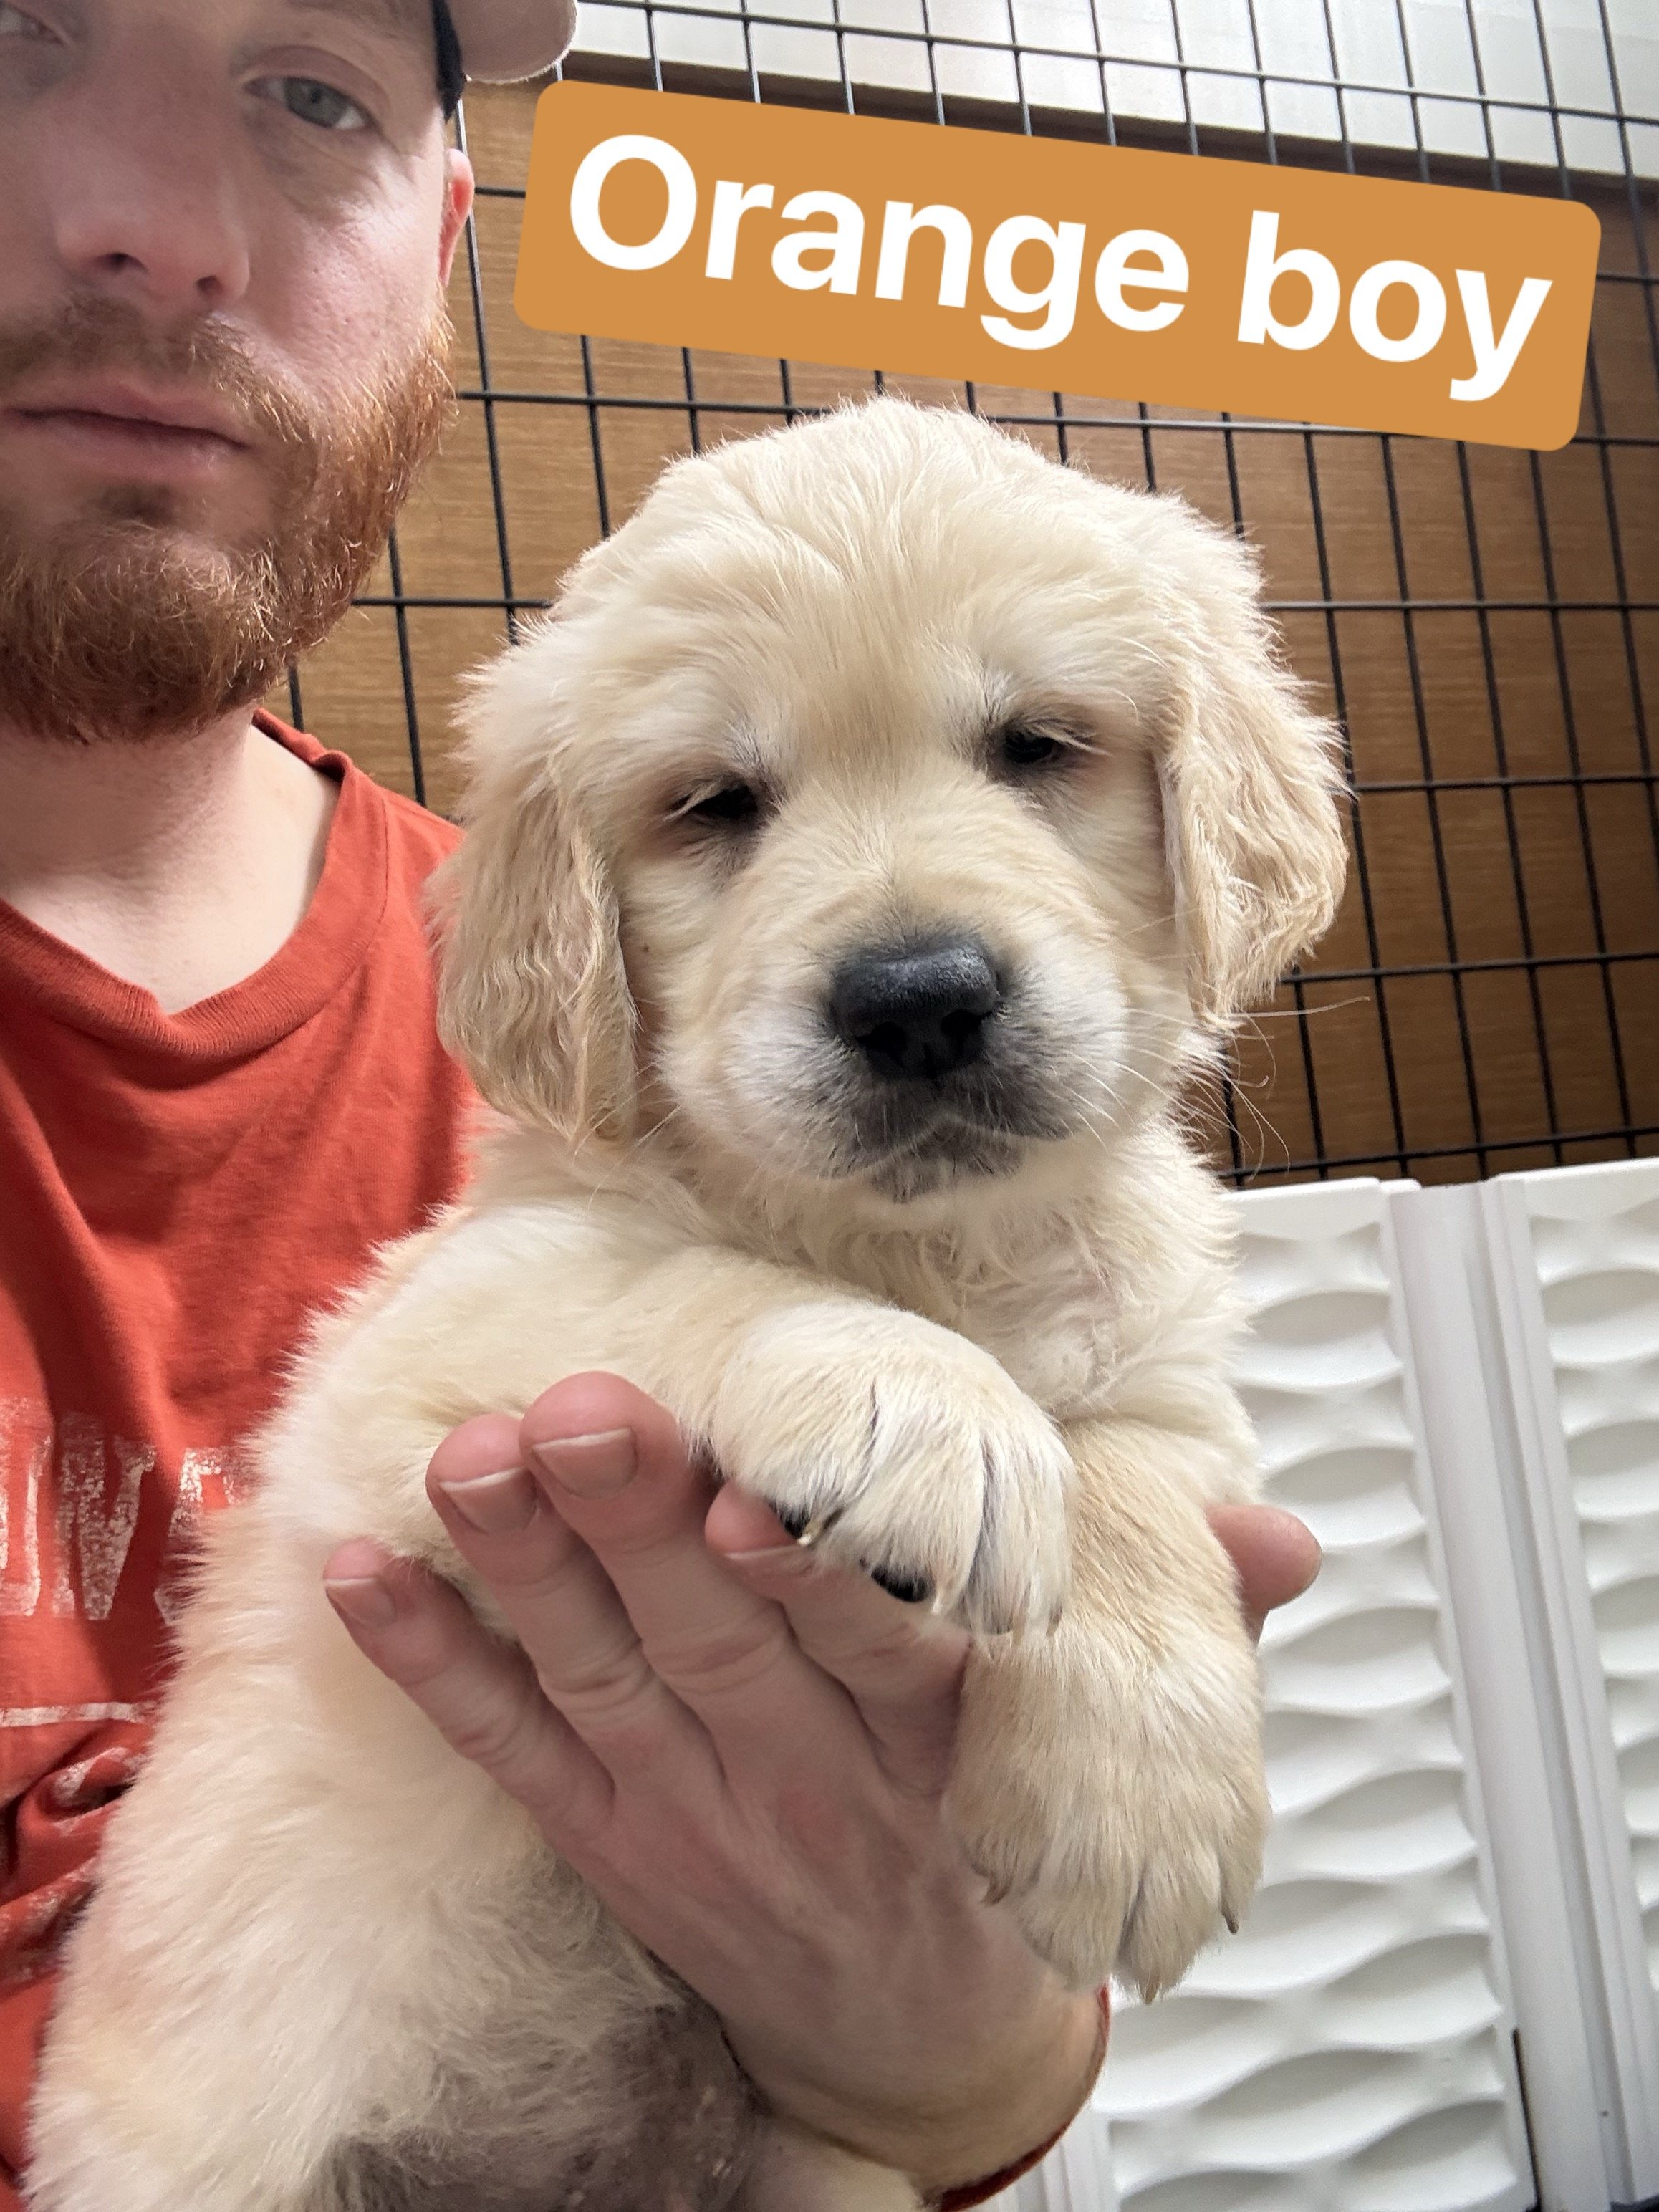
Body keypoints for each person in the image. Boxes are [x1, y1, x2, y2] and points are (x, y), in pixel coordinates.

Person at [0, 0, 1322, 2203]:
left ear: (442, 234)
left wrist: (950, 2072)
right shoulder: (585, 1182)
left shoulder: (474, 982)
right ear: (582, 909)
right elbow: (460, 1383)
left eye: (1034, 753)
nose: (158, 233)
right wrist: (798, 1358)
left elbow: (976, 2006)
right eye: (717, 804)